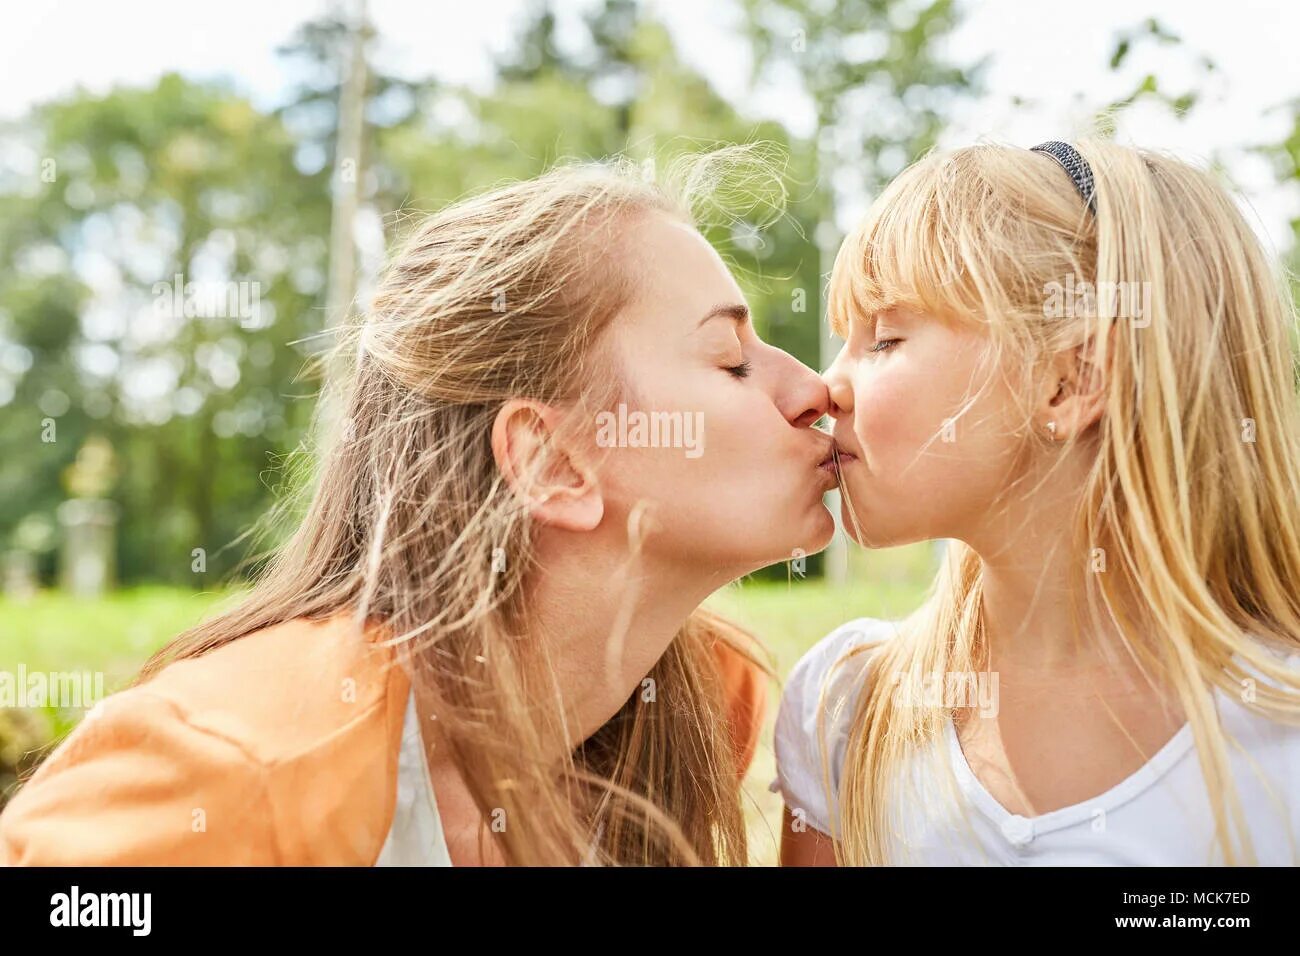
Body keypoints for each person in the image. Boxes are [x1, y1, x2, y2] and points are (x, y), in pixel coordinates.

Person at [2, 149, 840, 866]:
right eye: (730, 360)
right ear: (552, 463)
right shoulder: (230, 773)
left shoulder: (696, 714)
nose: (813, 388)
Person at [777, 139, 1300, 866]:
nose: (824, 385)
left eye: (887, 337)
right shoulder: (845, 708)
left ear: (1070, 381)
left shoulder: (1281, 734)